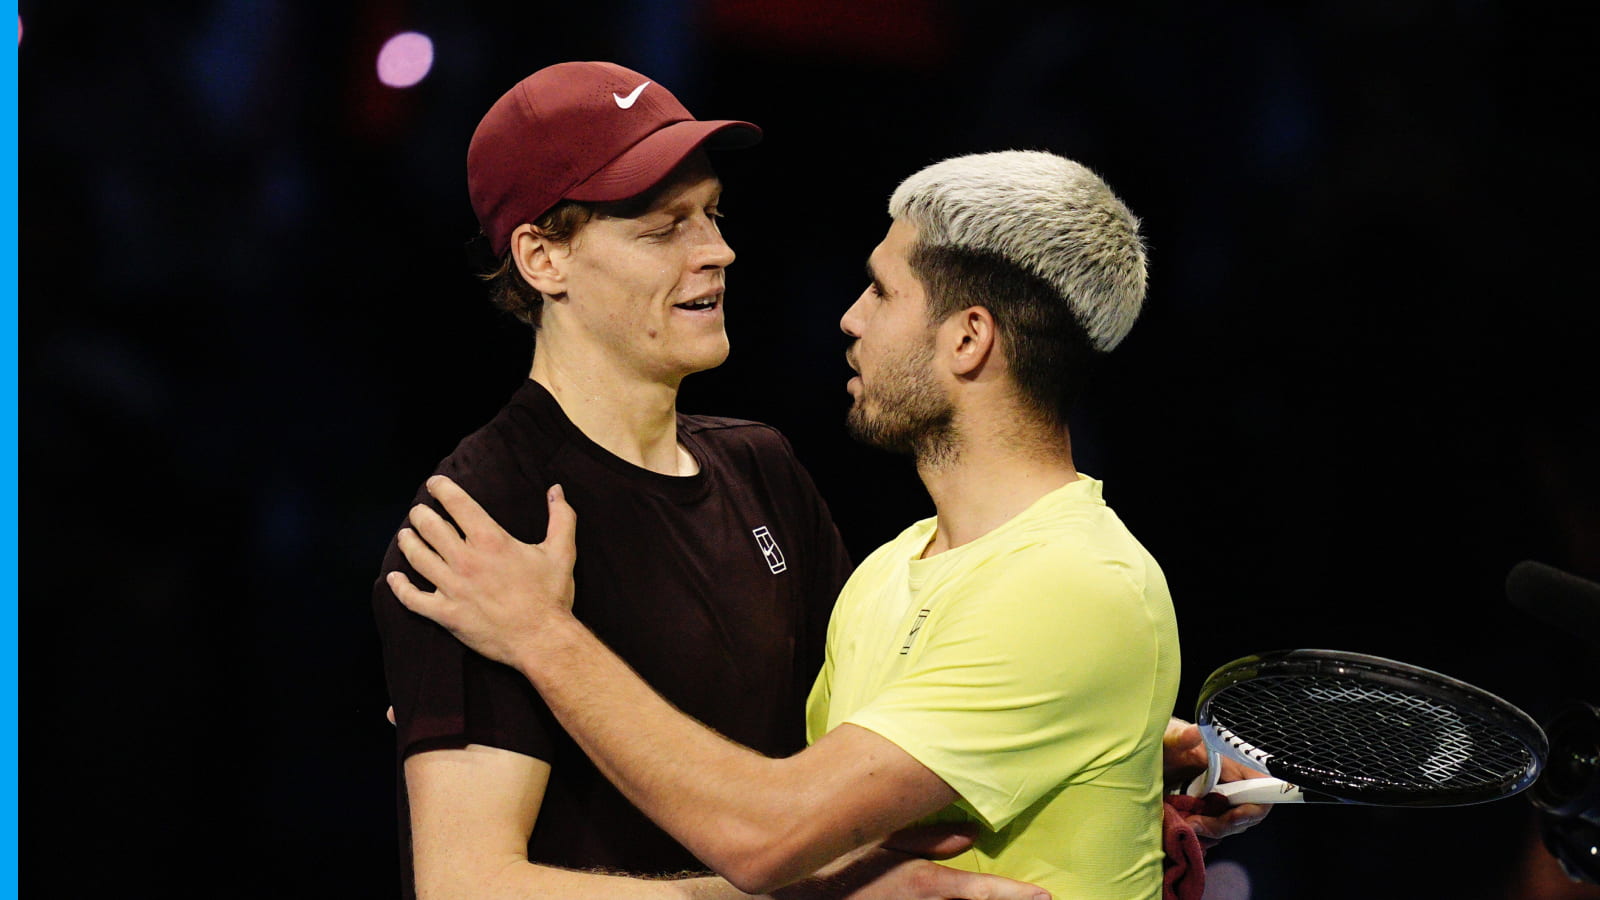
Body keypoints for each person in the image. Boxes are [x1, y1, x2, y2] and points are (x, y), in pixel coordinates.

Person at [389, 148, 1263, 899]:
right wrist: (1114, 746)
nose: (848, 317)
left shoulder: (1079, 586)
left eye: (882, 292)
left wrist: (540, 635)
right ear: (541, 259)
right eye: (665, 225)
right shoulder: (887, 570)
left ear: (968, 342)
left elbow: (769, 831)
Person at [372, 60, 1069, 900]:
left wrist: (1099, 737)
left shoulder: (760, 466)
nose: (718, 251)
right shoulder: (479, 525)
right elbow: (466, 885)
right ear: (542, 258)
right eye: (664, 228)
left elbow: (888, 736)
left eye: (712, 215)